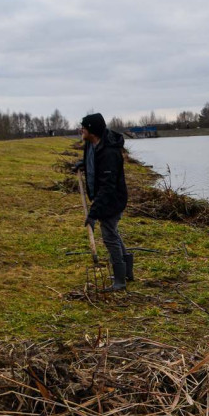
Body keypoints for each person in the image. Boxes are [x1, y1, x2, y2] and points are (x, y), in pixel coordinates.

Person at [74, 113, 131, 292]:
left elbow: (107, 187)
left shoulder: (109, 152)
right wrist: (82, 164)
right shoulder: (92, 144)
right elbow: (93, 162)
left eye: (84, 126)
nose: (81, 129)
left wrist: (93, 213)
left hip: (112, 198)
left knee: (109, 236)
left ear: (92, 130)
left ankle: (120, 280)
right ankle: (127, 271)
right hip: (104, 196)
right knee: (112, 231)